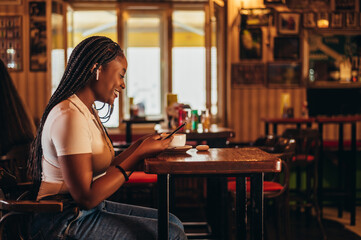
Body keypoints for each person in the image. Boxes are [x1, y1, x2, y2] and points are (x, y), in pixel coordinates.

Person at [28, 36, 187, 240]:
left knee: (172, 222)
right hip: (61, 219)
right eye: (121, 75)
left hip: (82, 212)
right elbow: (86, 197)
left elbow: (106, 168)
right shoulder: (69, 115)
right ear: (97, 69)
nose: (122, 85)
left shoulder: (86, 110)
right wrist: (139, 153)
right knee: (171, 233)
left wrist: (142, 144)